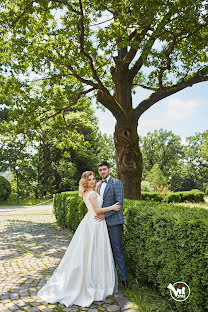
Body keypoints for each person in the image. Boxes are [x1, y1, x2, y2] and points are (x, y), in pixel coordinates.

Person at [37, 171, 120, 308]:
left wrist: (101, 182)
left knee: (91, 251)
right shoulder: (92, 194)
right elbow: (98, 211)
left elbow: (98, 185)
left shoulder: (87, 192)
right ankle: (93, 284)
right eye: (90, 180)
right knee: (93, 251)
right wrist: (113, 207)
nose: (93, 181)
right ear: (85, 182)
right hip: (95, 224)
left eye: (94, 179)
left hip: (91, 222)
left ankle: (96, 281)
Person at [95, 161, 128, 288]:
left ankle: (124, 279)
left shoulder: (117, 183)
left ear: (109, 170)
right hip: (100, 224)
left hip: (114, 223)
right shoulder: (98, 185)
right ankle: (107, 278)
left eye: (104, 169)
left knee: (117, 249)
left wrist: (105, 215)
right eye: (100, 170)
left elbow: (119, 203)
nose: (102, 172)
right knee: (103, 251)